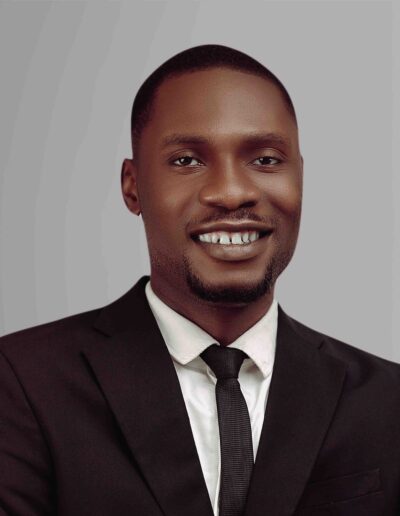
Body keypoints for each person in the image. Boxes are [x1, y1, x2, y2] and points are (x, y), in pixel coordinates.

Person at [0, 44, 399, 516]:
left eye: (266, 160)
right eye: (187, 160)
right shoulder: (23, 382)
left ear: (301, 178)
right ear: (132, 186)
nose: (231, 193)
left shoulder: (387, 401)